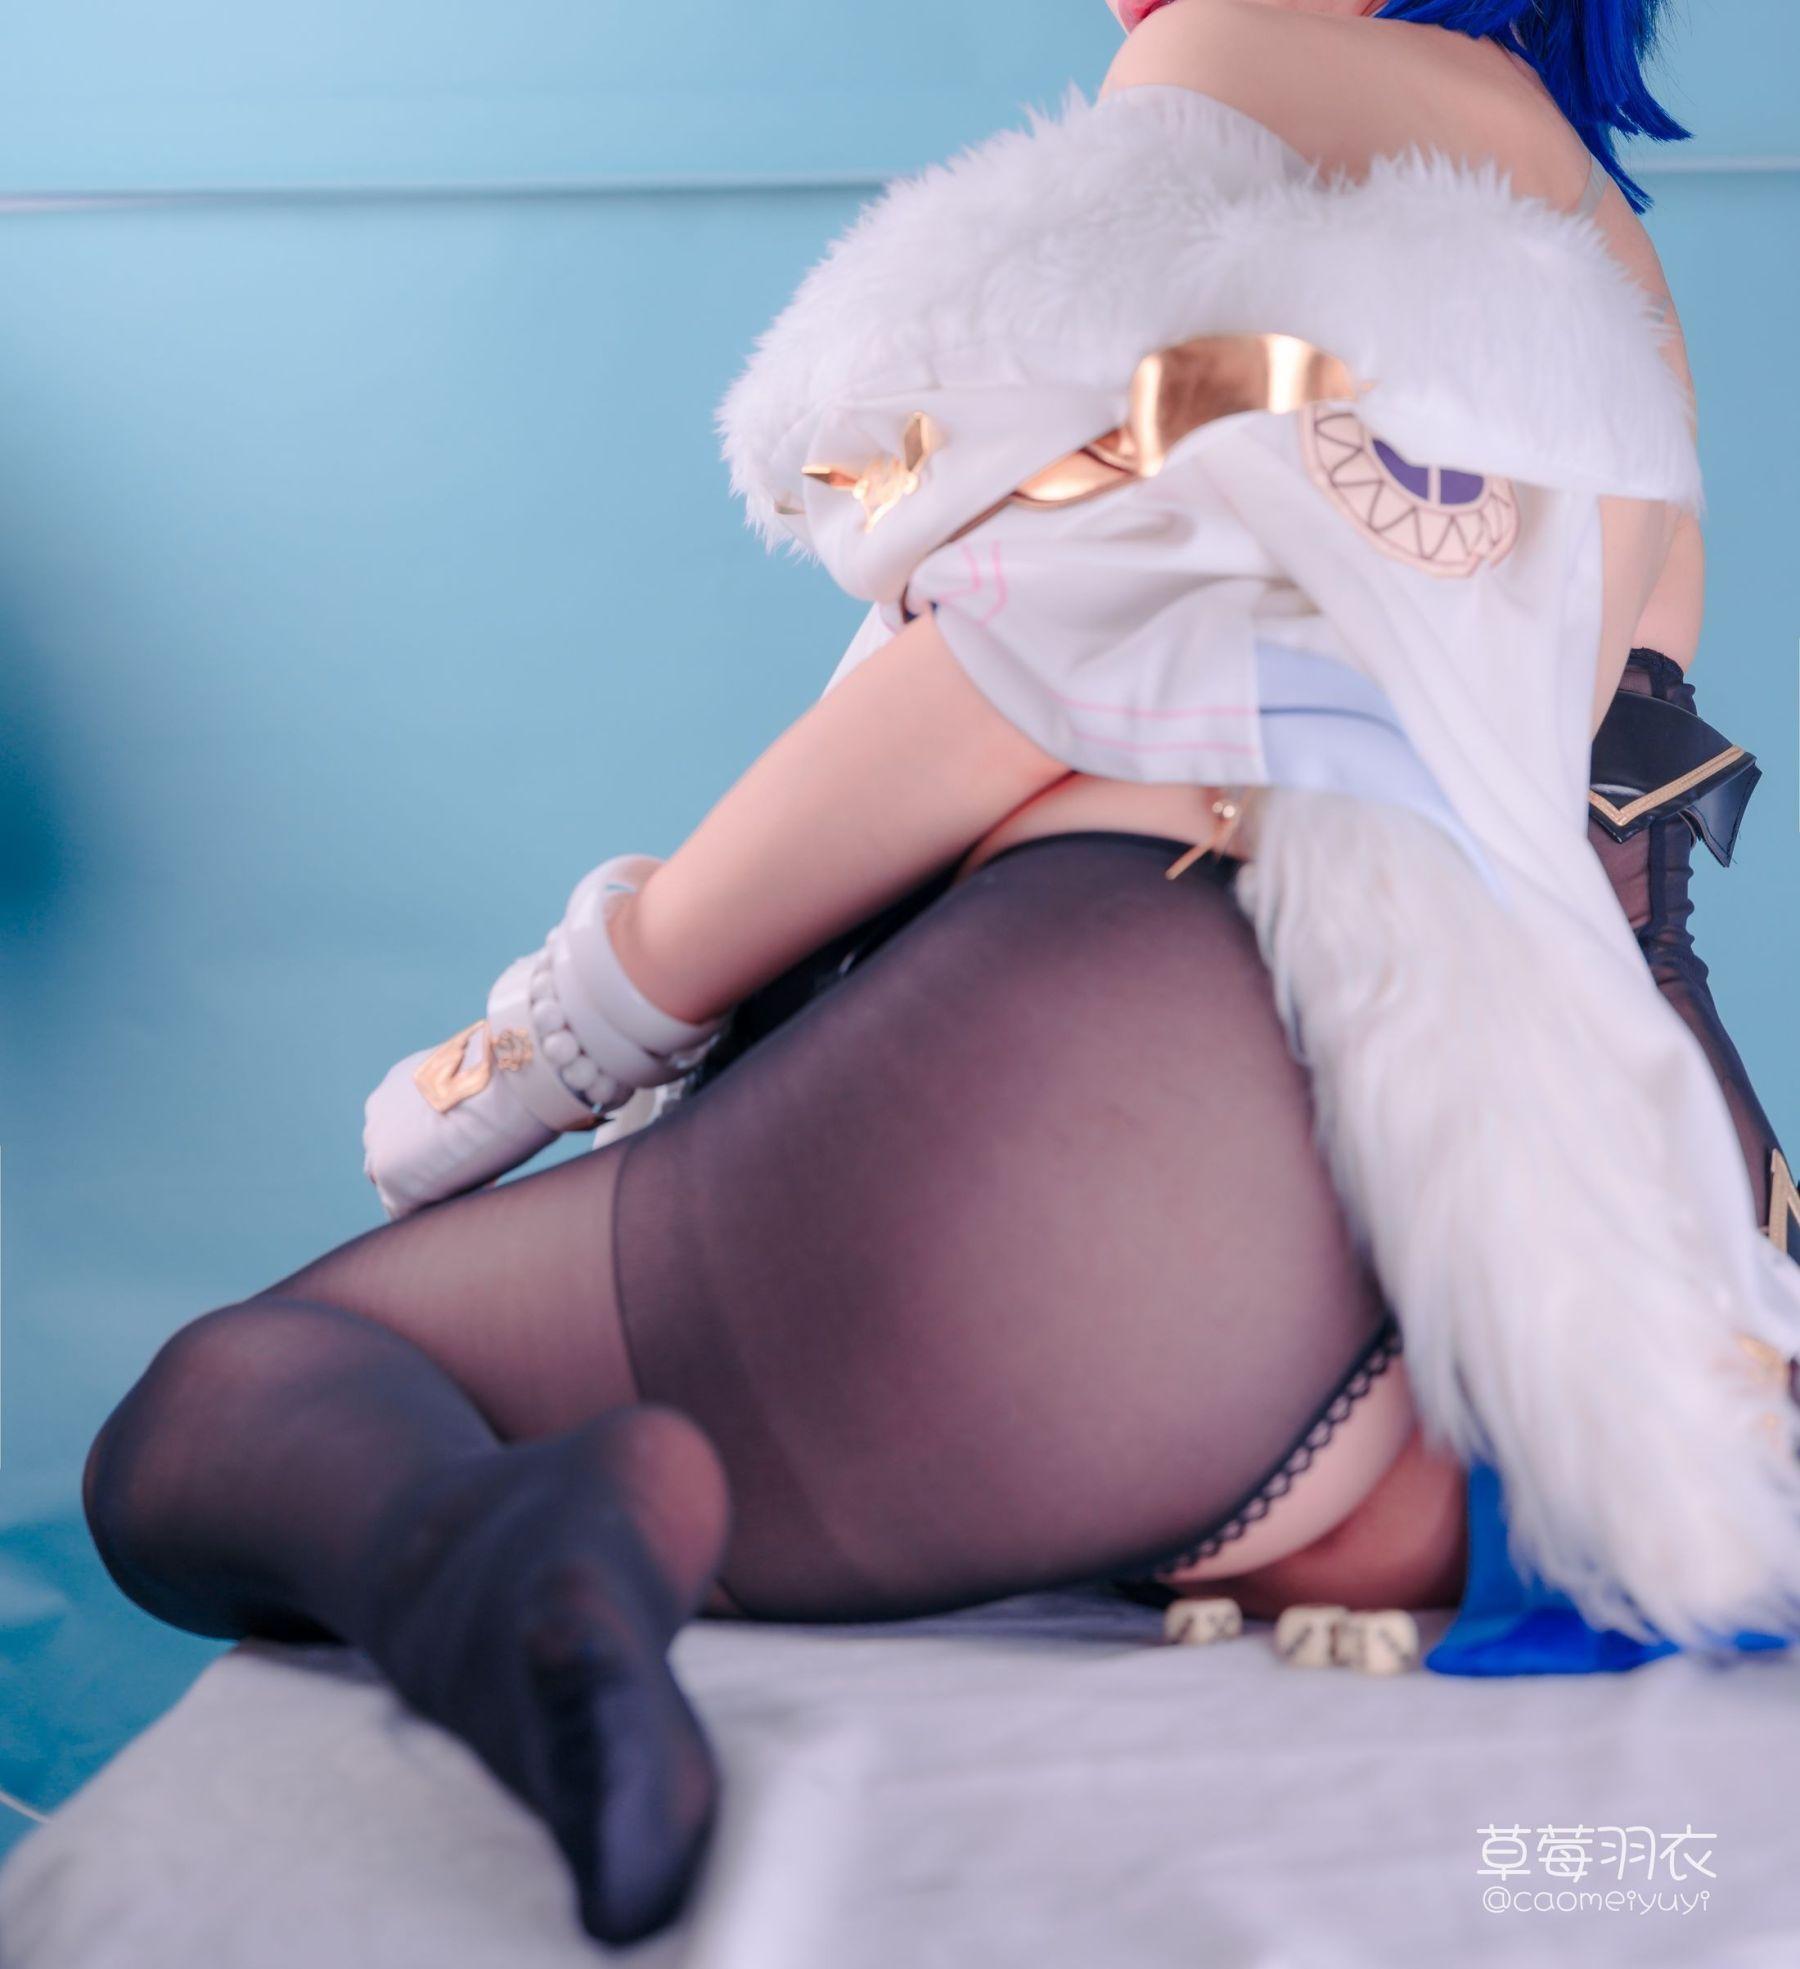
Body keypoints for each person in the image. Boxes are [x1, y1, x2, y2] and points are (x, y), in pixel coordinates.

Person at [78, 0, 1800, 1946]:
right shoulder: (1618, 283)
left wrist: (564, 1030)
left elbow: (1036, 650)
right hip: (1499, 1326)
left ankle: (494, 1559)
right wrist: (1679, 1357)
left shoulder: (1237, 60)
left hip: (1139, 1103)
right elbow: (1635, 897)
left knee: (231, 1402)